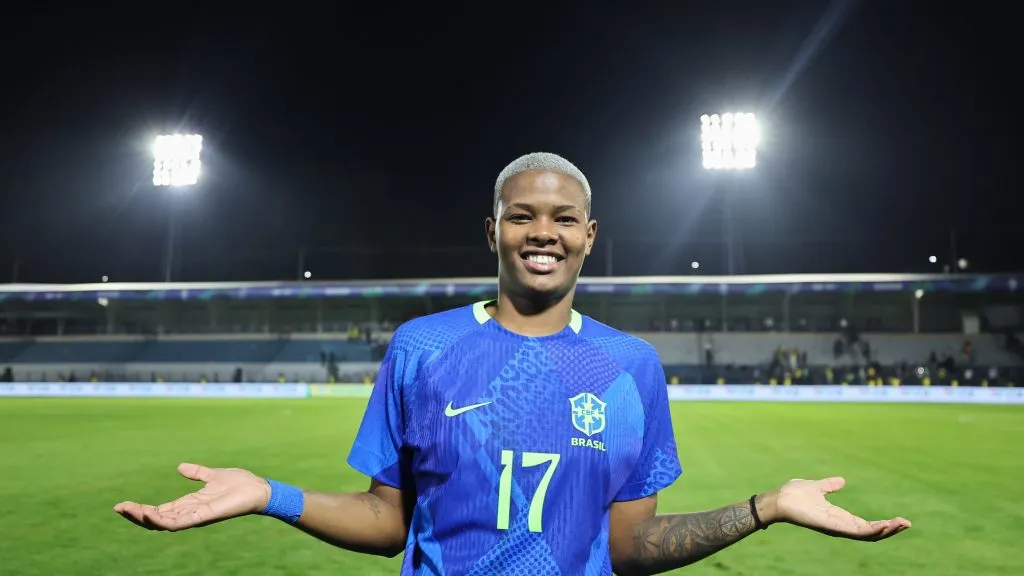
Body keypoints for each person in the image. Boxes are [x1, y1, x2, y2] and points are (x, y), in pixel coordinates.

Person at [114, 152, 911, 574]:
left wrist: (765, 506)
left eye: (564, 218)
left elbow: (630, 549)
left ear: (590, 236)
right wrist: (266, 494)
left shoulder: (629, 367)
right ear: (491, 231)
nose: (543, 231)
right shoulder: (422, 348)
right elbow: (388, 524)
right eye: (521, 215)